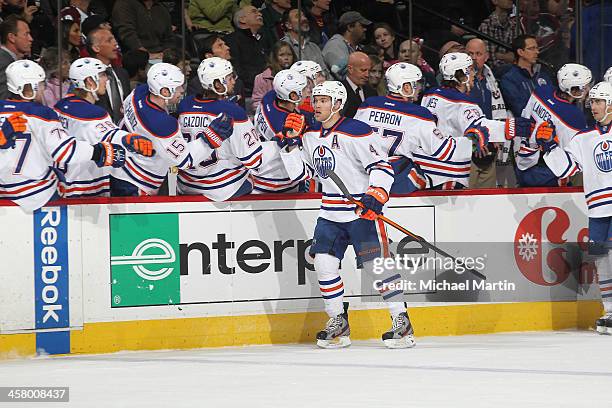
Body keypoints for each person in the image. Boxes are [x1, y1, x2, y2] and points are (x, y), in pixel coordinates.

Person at [277, 80, 415, 349]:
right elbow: (300, 175)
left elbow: (381, 167)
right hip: (329, 211)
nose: (316, 105)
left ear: (338, 104)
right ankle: (337, 321)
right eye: (315, 99)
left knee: (378, 268)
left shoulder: (357, 131)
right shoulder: (309, 133)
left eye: (323, 100)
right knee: (324, 264)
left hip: (359, 212)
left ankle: (401, 319)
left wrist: (376, 194)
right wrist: (290, 145)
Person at [536, 81, 612, 334]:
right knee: (602, 258)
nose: (593, 107)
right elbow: (565, 169)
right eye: (592, 102)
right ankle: (610, 311)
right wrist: (549, 146)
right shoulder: (583, 139)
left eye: (599, 102)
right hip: (598, 209)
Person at [0, 59, 125, 211]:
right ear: (29, 88)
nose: (43, 89)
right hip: (37, 195)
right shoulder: (42, 114)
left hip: (4, 195)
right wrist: (100, 152)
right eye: (40, 85)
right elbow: (65, 151)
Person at [113, 63, 233, 196]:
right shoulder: (163, 124)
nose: (182, 90)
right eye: (178, 87)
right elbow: (184, 160)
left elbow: (122, 110)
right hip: (136, 182)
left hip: (119, 166)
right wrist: (210, 138)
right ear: (164, 91)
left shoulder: (139, 92)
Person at [355, 62, 474, 194]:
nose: (419, 88)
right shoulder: (418, 113)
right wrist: (473, 142)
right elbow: (444, 150)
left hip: (365, 178)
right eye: (416, 84)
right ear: (406, 87)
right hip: (396, 181)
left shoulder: (368, 105)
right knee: (446, 180)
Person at [421, 53, 533, 189]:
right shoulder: (462, 103)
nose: (473, 74)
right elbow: (481, 127)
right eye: (470, 70)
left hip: (429, 166)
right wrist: (517, 127)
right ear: (460, 75)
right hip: (451, 169)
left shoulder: (429, 94)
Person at [54, 57, 155, 198]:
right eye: (101, 75)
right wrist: (130, 138)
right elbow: (111, 136)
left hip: (62, 187)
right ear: (89, 81)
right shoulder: (92, 113)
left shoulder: (59, 106)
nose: (106, 79)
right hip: (86, 190)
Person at [177, 57, 262, 200]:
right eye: (230, 77)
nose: (234, 81)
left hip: (186, 185)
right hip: (221, 188)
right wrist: (230, 109)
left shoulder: (185, 104)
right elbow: (254, 160)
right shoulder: (234, 112)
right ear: (217, 84)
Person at [516, 63, 591, 187]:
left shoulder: (541, 91)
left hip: (524, 159)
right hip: (548, 172)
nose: (588, 89)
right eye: (584, 86)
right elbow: (574, 156)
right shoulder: (574, 115)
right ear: (573, 89)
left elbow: (524, 117)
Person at [251, 69, 308, 193]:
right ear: (293, 96)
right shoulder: (284, 124)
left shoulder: (269, 97)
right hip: (276, 179)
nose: (307, 93)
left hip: (257, 168)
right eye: (303, 90)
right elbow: (295, 157)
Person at [465, 38, 508, 188]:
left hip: (490, 145)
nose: (474, 58)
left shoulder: (491, 79)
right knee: (466, 200)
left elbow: (496, 113)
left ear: (486, 56)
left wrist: (496, 136)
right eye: (470, 53)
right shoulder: (459, 82)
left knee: (486, 200)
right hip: (467, 147)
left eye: (478, 53)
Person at [499, 34, 553, 117]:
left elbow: (554, 102)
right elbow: (520, 109)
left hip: (548, 124)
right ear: (520, 52)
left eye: (537, 48)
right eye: (532, 49)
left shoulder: (543, 76)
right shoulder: (509, 79)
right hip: (526, 126)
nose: (537, 52)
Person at [87, 27, 130, 124]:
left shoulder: (122, 73)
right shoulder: (88, 78)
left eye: (114, 39)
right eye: (109, 40)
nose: (115, 43)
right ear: (96, 48)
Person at [224, 5, 266, 95]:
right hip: (249, 90)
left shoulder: (265, 38)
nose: (260, 14)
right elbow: (237, 71)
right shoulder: (232, 40)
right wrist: (261, 80)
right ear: (242, 20)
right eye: (254, 11)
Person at [280, 8, 329, 79]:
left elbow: (325, 72)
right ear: (288, 25)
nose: (304, 19)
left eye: (304, 16)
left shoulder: (314, 47)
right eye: (298, 16)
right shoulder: (283, 47)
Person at [322, 11, 371, 80]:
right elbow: (345, 76)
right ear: (350, 27)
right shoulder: (335, 45)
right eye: (362, 26)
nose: (365, 29)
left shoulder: (359, 48)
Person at [251, 41, 296, 111]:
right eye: (282, 55)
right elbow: (257, 103)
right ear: (274, 57)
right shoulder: (261, 78)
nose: (286, 58)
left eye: (289, 54)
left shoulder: (298, 77)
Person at [478, 0, 522, 69]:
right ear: (495, 1)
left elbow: (520, 54)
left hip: (516, 70)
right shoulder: (487, 25)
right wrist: (508, 58)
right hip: (496, 72)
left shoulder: (514, 26)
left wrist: (500, 56)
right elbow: (490, 60)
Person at [0, 15, 32, 99]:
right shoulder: (5, 63)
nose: (31, 39)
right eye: (26, 34)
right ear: (12, 37)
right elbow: (4, 100)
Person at [341, 51, 376, 118]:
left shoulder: (372, 92)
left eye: (369, 71)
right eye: (363, 70)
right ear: (350, 69)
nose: (367, 75)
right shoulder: (339, 91)